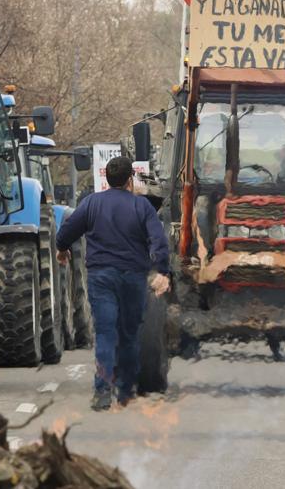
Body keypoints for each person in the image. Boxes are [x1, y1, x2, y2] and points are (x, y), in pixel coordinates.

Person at [56, 156, 170, 411]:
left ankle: (102, 392)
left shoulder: (91, 203)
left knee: (106, 334)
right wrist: (162, 270)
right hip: (133, 278)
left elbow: (67, 231)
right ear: (130, 179)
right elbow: (158, 240)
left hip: (101, 277)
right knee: (129, 336)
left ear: (107, 178)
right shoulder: (142, 207)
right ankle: (125, 391)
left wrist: (62, 249)